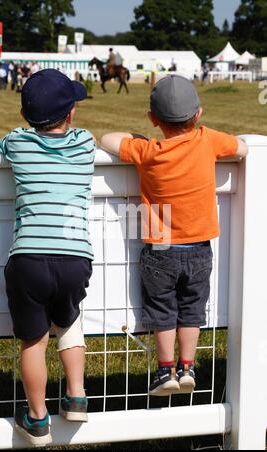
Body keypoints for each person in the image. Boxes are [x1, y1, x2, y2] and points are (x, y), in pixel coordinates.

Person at [100, 75, 248, 397]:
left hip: (160, 248)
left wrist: (139, 136)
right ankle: (188, 366)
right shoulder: (206, 140)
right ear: (198, 115)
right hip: (199, 247)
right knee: (192, 309)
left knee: (163, 310)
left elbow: (107, 139)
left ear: (154, 119)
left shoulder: (147, 151)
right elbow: (242, 147)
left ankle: (165, 370)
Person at [0, 69, 96, 446]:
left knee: (33, 341)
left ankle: (37, 419)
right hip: (75, 259)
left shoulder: (17, 142)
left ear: (25, 117)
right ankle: (77, 395)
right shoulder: (86, 143)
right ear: (71, 115)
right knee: (69, 322)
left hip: (29, 259)